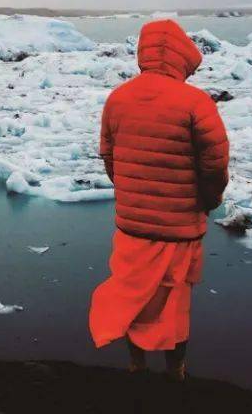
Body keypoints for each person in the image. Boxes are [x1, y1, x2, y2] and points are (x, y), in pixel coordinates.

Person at [89, 19, 229, 381]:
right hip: (180, 228)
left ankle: (136, 366)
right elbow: (215, 166)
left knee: (134, 294)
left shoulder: (118, 97)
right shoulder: (196, 102)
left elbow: (109, 156)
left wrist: (131, 193)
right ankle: (175, 371)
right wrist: (208, 202)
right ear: (183, 54)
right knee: (173, 302)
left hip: (133, 226)